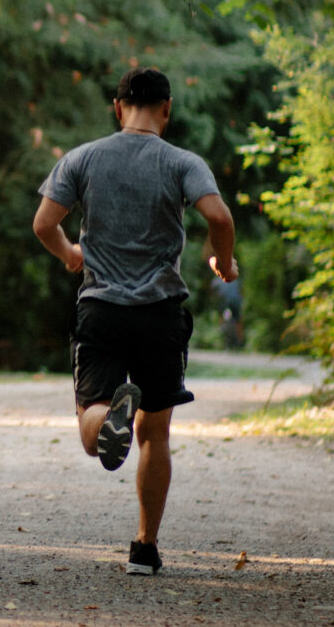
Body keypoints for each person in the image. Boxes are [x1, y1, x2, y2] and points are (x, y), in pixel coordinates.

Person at [31, 67, 238, 575]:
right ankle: (145, 547)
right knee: (156, 435)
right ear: (167, 108)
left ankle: (108, 418)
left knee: (90, 427)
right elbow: (220, 217)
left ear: (117, 107)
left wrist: (70, 254)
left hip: (101, 309)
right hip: (161, 314)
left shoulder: (83, 158)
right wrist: (224, 262)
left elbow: (43, 224)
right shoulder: (182, 162)